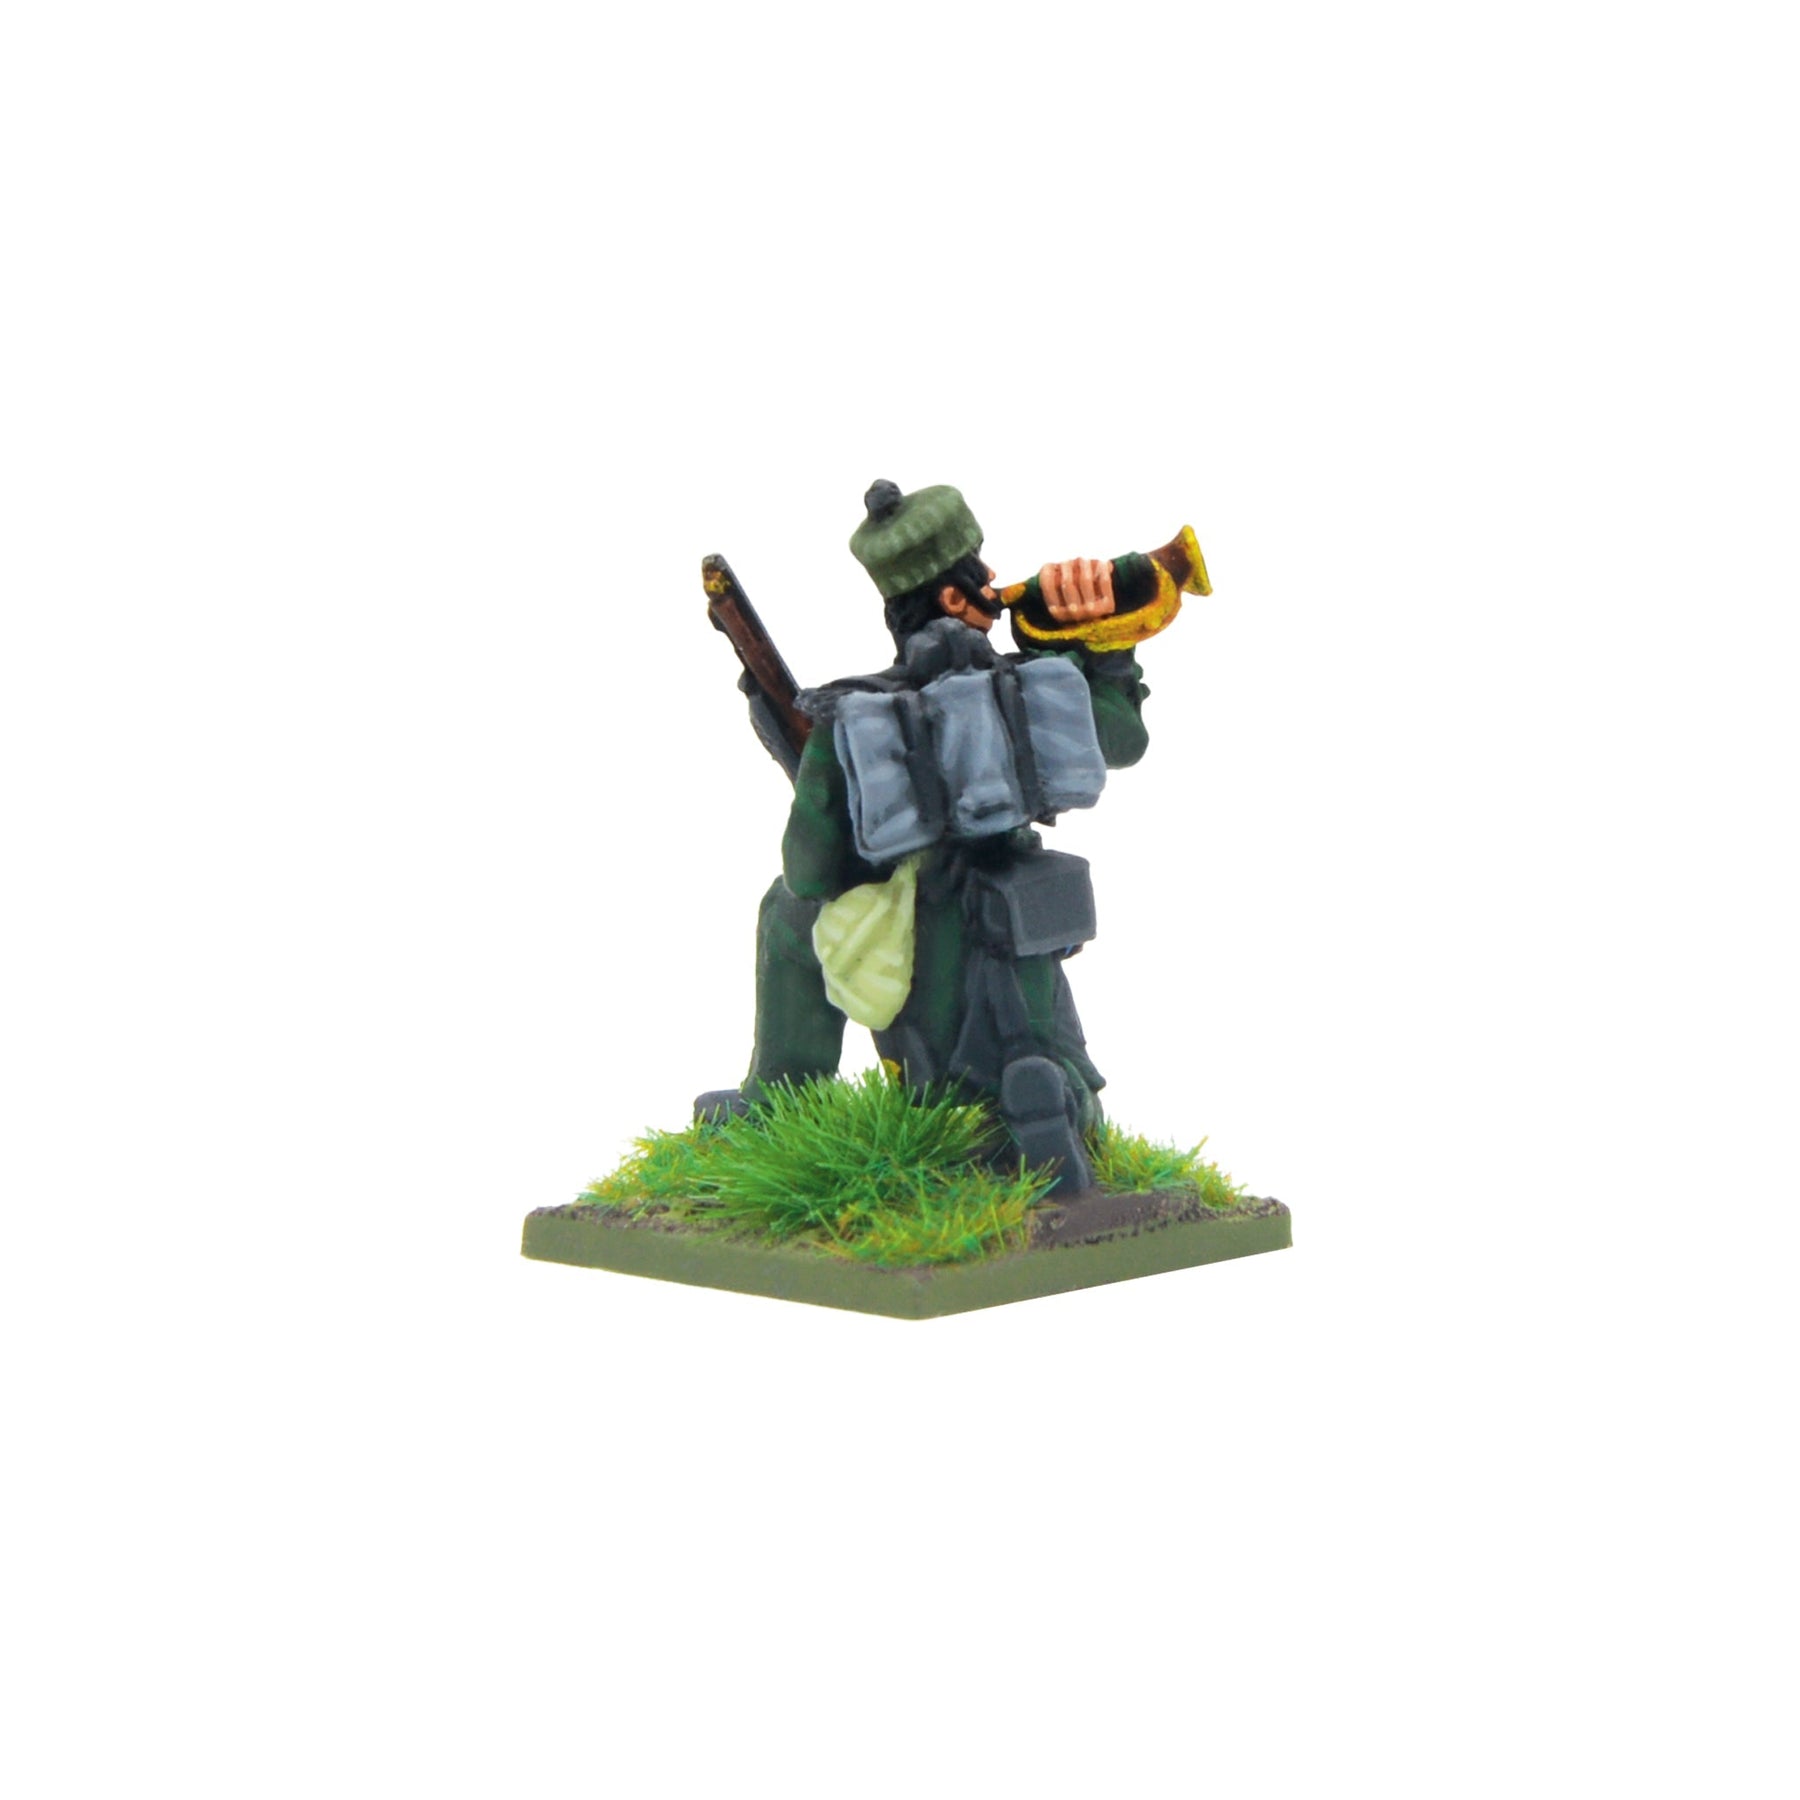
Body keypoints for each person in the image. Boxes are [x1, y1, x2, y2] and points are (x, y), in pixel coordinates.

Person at [699, 479, 1158, 1191]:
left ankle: (779, 1096)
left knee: (789, 911)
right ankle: (1060, 1099)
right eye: (981, 571)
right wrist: (1106, 654)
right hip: (1014, 910)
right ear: (955, 597)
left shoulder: (855, 717)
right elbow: (1121, 739)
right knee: (1045, 1045)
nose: (993, 581)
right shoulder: (1032, 681)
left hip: (908, 932)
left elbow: (811, 866)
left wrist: (820, 779)